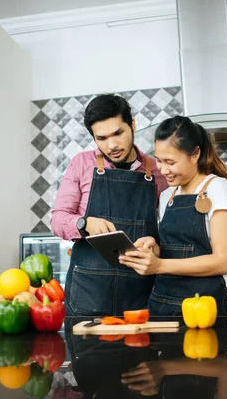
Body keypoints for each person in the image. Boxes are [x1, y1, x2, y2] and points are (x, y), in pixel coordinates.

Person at [51, 94, 168, 316]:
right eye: (102, 138)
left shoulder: (159, 171)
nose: (112, 145)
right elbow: (57, 220)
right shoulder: (81, 164)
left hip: (141, 294)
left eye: (118, 133)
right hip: (87, 293)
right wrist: (85, 223)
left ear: (132, 125)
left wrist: (157, 247)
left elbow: (170, 231)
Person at [118, 115, 227, 316]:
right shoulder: (168, 195)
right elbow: (177, 250)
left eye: (170, 162)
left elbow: (224, 261)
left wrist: (159, 265)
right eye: (158, 160)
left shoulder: (217, 188)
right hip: (163, 306)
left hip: (204, 308)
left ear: (195, 154)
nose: (163, 170)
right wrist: (154, 248)